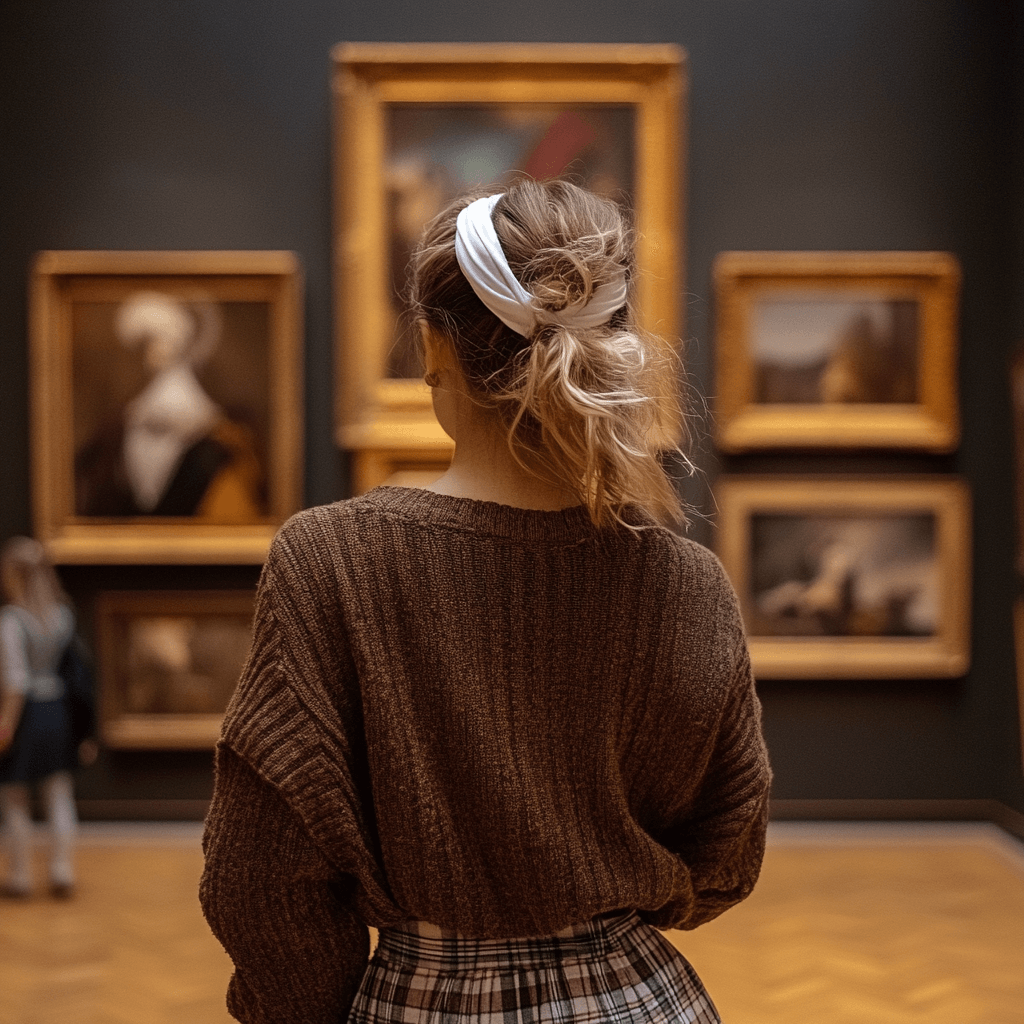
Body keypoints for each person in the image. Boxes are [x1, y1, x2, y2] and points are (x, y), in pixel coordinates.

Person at [200, 178, 771, 1023]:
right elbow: (729, 845)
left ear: (435, 350)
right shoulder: (688, 584)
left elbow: (263, 875)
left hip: (426, 999)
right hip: (641, 997)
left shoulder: (331, 560)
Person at [0, 537, 92, 899]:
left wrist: (5, 726)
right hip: (58, 712)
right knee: (58, 794)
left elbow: (15, 683)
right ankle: (61, 869)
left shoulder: (11, 621)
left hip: (26, 716)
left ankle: (21, 876)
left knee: (15, 798)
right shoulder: (62, 616)